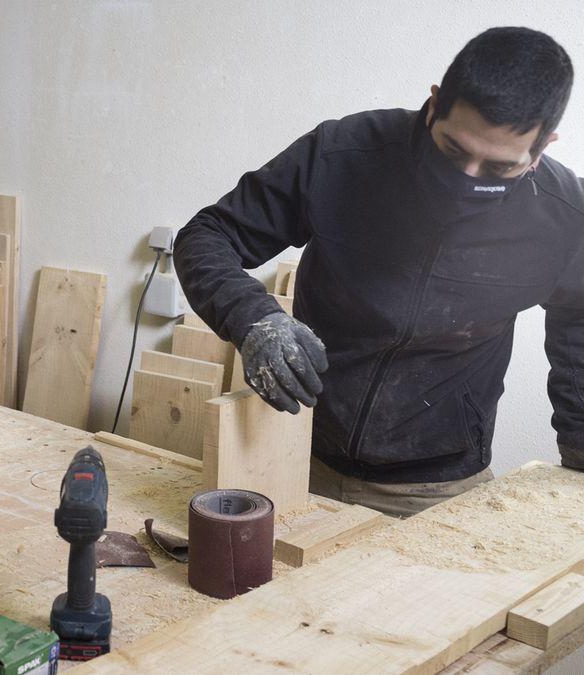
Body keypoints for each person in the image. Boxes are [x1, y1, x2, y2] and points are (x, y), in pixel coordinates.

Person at [175, 27, 584, 518]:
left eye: (498, 169)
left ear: (542, 148)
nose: (465, 179)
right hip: (293, 452)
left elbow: (580, 321)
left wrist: (578, 463)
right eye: (453, 151)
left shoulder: (562, 217)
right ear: (433, 105)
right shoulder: (342, 154)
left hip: (437, 487)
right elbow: (208, 235)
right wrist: (252, 317)